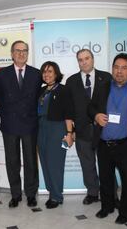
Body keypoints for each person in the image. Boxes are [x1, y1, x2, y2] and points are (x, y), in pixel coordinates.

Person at [89, 53, 127, 224]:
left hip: (126, 144)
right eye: (116, 67)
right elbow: (91, 108)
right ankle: (107, 206)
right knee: (106, 179)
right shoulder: (102, 87)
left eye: (124, 68)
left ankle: (125, 212)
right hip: (104, 143)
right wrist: (96, 116)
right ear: (112, 69)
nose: (119, 71)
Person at [0, 40, 42, 208]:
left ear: (28, 53)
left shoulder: (36, 74)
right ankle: (15, 195)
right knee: (12, 161)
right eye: (18, 50)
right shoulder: (2, 73)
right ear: (12, 53)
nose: (21, 53)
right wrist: (7, 116)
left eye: (25, 51)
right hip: (10, 125)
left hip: (30, 125)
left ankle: (31, 194)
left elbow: (39, 98)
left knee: (30, 161)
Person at [65, 49, 112, 205]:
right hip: (83, 131)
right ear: (77, 62)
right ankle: (92, 192)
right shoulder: (71, 81)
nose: (84, 62)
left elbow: (113, 103)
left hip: (104, 130)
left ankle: (111, 194)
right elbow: (69, 109)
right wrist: (70, 132)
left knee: (107, 165)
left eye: (87, 58)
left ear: (93, 59)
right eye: (80, 59)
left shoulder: (106, 77)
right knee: (87, 164)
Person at [37, 61, 73, 209]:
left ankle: (57, 196)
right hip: (41, 128)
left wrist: (69, 133)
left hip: (57, 128)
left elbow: (69, 113)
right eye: (44, 71)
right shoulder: (41, 90)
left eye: (50, 71)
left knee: (55, 164)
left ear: (56, 74)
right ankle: (52, 191)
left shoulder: (64, 90)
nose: (47, 74)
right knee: (45, 162)